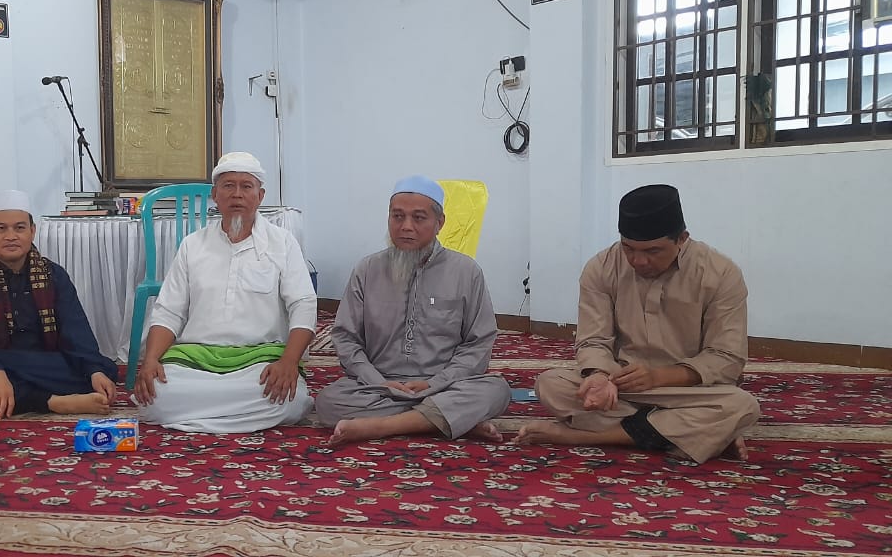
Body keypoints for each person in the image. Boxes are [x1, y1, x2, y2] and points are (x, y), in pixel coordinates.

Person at [514, 184, 760, 463]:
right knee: (550, 385)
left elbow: (726, 358)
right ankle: (694, 433)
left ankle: (584, 436)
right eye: (628, 248)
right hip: (621, 388)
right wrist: (599, 376)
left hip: (686, 391)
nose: (638, 261)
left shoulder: (721, 274)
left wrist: (658, 377)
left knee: (742, 405)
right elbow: (593, 340)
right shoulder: (601, 268)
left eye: (653, 250)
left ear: (682, 239)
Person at [316, 176, 509, 445]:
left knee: (497, 390)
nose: (406, 226)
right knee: (328, 402)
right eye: (398, 216)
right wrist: (378, 381)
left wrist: (436, 383)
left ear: (440, 223)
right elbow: (346, 338)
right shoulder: (367, 270)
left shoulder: (466, 272)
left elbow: (479, 343)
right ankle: (445, 419)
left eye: (418, 218)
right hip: (380, 387)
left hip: (444, 385)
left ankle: (382, 426)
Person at [132, 152, 316, 433]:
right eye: (228, 186)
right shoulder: (193, 245)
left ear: (260, 196)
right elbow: (168, 311)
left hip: (259, 359)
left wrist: (289, 362)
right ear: (215, 196)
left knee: (292, 399)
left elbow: (303, 304)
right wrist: (151, 360)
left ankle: (194, 419)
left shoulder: (283, 243)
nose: (237, 194)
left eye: (246, 186)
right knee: (154, 399)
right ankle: (240, 418)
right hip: (196, 358)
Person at [0, 190, 117, 424]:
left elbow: (75, 328)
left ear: (32, 231)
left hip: (44, 362)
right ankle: (54, 402)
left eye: (19, 228)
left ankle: (20, 396)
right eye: (1, 228)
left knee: (104, 369)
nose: (11, 236)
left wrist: (94, 370)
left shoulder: (53, 274)